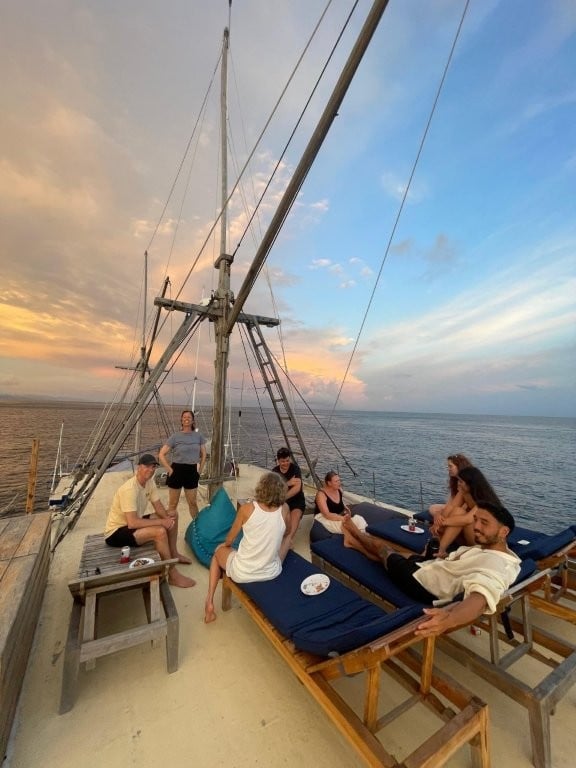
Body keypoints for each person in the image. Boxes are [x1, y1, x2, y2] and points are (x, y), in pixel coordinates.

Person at [342, 501, 520, 637]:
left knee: (384, 550)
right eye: (476, 520)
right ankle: (354, 544)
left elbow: (481, 597)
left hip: (421, 582)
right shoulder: (497, 551)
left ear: (504, 532)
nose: (476, 527)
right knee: (394, 554)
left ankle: (355, 533)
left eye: (484, 522)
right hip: (431, 567)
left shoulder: (497, 565)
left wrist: (449, 620)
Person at [204, 472, 291, 623]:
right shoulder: (285, 509)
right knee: (287, 542)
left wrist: (223, 546)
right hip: (271, 571)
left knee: (217, 554)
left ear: (261, 488)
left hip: (243, 572)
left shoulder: (246, 509)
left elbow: (230, 540)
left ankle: (209, 603)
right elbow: (288, 532)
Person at [104, 453, 196, 588]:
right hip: (116, 532)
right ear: (138, 468)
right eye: (147, 466)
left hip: (133, 523)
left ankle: (173, 553)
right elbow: (132, 523)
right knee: (159, 532)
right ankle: (171, 574)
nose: (151, 469)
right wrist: (161, 523)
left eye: (153, 467)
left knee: (172, 514)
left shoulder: (149, 483)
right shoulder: (129, 489)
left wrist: (167, 519)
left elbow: (158, 506)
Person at [431, 466, 503, 556]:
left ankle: (440, 549)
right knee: (457, 511)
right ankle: (440, 548)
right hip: (470, 533)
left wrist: (441, 523)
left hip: (483, 538)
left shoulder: (484, 499)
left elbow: (468, 519)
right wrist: (438, 517)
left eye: (461, 481)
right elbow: (450, 507)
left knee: (463, 517)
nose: (458, 483)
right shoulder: (464, 492)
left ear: (470, 484)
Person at [159, 409, 207, 519]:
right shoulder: (175, 437)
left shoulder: (198, 436)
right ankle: (170, 529)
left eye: (189, 417)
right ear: (181, 420)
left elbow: (204, 454)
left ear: (193, 421)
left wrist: (199, 471)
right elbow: (161, 454)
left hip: (191, 471)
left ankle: (197, 530)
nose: (186, 419)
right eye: (184, 417)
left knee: (193, 503)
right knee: (172, 505)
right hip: (177, 471)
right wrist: (170, 470)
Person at [272, 447, 306, 546]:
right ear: (278, 461)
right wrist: (288, 483)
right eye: (283, 461)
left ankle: (288, 540)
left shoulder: (295, 468)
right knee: (279, 517)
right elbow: (274, 489)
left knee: (295, 515)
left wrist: (283, 496)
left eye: (287, 460)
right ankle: (277, 538)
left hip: (296, 499)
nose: (286, 463)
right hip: (281, 500)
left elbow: (297, 488)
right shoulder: (274, 472)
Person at [428, 453, 473, 518]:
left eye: (450, 466)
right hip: (455, 507)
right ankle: (439, 519)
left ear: (459, 466)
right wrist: (438, 515)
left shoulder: (467, 484)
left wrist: (445, 512)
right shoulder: (455, 481)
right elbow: (450, 503)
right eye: (448, 466)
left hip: (465, 511)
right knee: (433, 508)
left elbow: (465, 507)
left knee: (456, 512)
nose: (448, 469)